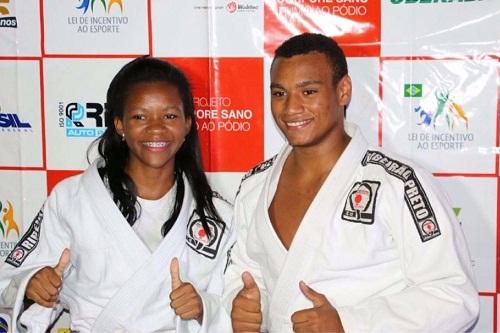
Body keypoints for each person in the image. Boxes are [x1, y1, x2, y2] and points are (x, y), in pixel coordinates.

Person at [222, 33, 479, 332]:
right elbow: (244, 271)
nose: (291, 108)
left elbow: (453, 295)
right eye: (279, 93)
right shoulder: (256, 184)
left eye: (308, 92)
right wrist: (243, 305)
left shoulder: (398, 183)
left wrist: (349, 324)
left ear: (343, 91)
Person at [0, 56, 234, 332]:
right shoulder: (73, 199)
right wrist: (32, 284)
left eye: (169, 116)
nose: (156, 127)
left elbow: (233, 306)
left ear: (187, 124)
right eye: (140, 116)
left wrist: (202, 308)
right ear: (120, 125)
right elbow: (9, 281)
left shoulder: (216, 216)